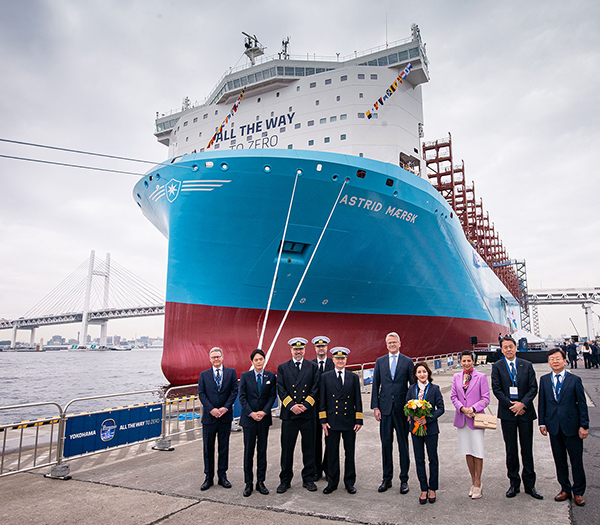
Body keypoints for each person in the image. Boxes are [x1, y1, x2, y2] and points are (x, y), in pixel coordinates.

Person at [491, 336, 543, 499]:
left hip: (525, 413)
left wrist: (522, 404)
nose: (508, 349)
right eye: (505, 347)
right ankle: (514, 483)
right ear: (502, 349)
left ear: (515, 347)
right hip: (508, 414)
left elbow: (533, 388)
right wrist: (511, 406)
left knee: (527, 449)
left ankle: (530, 485)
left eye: (510, 346)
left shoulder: (526, 365)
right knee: (511, 450)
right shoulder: (497, 366)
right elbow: (497, 389)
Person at [538, 347, 590, 506]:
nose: (554, 361)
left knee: (576, 461)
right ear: (548, 362)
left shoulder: (575, 380)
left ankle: (579, 492)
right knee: (559, 460)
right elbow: (542, 403)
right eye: (551, 359)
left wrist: (584, 425)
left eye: (557, 358)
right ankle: (565, 488)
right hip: (554, 426)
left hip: (572, 427)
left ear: (565, 360)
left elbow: (582, 404)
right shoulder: (545, 379)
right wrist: (542, 422)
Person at [370, 332, 414, 494]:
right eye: (389, 343)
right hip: (385, 410)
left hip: (403, 411)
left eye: (394, 342)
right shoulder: (380, 362)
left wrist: (411, 409)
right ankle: (386, 479)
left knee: (403, 445)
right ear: (386, 344)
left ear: (400, 343)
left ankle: (404, 479)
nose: (392, 345)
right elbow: (375, 385)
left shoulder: (408, 362)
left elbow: (412, 387)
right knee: (386, 445)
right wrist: (375, 407)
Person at [276, 337, 319, 493]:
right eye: (295, 349)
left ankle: (308, 478)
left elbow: (315, 387)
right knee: (287, 450)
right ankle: (285, 480)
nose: (298, 351)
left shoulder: (313, 367)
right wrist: (292, 405)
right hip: (290, 415)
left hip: (307, 415)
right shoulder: (282, 368)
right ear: (291, 350)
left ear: (304, 350)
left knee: (309, 449)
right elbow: (281, 388)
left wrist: (306, 405)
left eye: (300, 349)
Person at [319, 347, 363, 494]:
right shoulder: (325, 377)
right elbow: (322, 400)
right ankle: (332, 482)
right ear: (333, 360)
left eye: (342, 359)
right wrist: (323, 420)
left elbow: (358, 399)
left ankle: (349, 482)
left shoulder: (353, 377)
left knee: (349, 453)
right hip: (331, 420)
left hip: (349, 421)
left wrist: (359, 420)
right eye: (337, 359)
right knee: (332, 453)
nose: (340, 361)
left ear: (346, 360)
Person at [197, 347, 239, 491]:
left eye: (218, 357)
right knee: (208, 449)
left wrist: (225, 408)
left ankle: (222, 476)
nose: (216, 359)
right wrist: (212, 409)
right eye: (213, 357)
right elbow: (201, 394)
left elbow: (234, 391)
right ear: (210, 359)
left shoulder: (231, 373)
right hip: (209, 418)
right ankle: (208, 477)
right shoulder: (203, 375)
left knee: (223, 447)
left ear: (222, 357)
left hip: (225, 417)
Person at [450, 350, 490, 499]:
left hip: (476, 418)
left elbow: (486, 398)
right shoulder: (456, 377)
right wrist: (462, 408)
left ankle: (478, 482)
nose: (466, 363)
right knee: (467, 450)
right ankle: (472, 481)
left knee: (477, 451)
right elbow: (453, 396)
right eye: (464, 361)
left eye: (469, 360)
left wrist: (473, 408)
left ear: (473, 361)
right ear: (460, 361)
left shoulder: (481, 377)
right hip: (462, 418)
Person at [239, 349, 277, 497]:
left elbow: (272, 396)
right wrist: (252, 413)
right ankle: (248, 483)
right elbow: (242, 397)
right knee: (248, 452)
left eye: (261, 359)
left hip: (263, 420)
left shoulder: (270, 376)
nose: (259, 362)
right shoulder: (245, 376)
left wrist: (264, 411)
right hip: (249, 420)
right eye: (256, 360)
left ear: (264, 360)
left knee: (262, 452)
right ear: (252, 362)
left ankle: (261, 482)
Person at [405, 362, 444, 504]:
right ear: (415, 375)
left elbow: (441, 408)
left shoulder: (435, 389)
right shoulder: (411, 389)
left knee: (432, 458)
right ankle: (423, 488)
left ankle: (432, 488)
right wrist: (413, 416)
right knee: (419, 459)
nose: (422, 374)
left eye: (424, 371)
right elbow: (407, 405)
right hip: (415, 429)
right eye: (419, 372)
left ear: (428, 373)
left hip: (431, 429)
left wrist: (428, 419)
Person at [312, 335, 334, 481]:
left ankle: (328, 468)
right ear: (315, 348)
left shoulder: (334, 363)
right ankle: (316, 470)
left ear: (327, 348)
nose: (321, 349)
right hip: (313, 409)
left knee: (330, 439)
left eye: (323, 346)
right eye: (318, 346)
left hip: (330, 409)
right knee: (314, 440)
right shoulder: (310, 365)